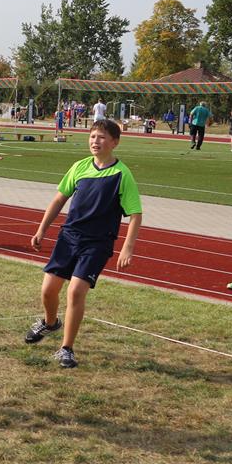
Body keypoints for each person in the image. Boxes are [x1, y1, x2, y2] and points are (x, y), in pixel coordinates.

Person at [26, 119, 142, 368]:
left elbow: (135, 214)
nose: (95, 141)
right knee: (48, 290)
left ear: (114, 142)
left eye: (101, 137)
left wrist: (128, 248)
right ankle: (50, 323)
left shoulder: (122, 175)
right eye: (92, 136)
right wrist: (42, 229)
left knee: (76, 291)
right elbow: (59, 199)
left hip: (97, 243)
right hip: (69, 237)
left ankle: (66, 349)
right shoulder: (79, 167)